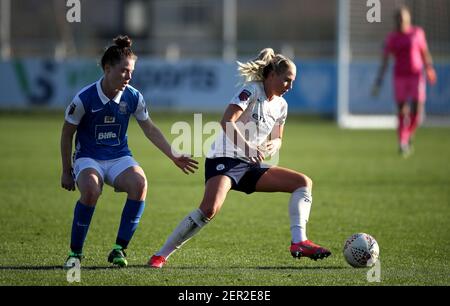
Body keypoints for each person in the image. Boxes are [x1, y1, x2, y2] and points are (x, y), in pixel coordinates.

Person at [148, 48, 331, 268]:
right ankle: (160, 255)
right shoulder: (251, 91)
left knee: (303, 182)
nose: (290, 87)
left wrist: (276, 143)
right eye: (287, 80)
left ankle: (299, 241)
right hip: (225, 159)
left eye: (292, 82)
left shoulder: (282, 105)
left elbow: (278, 136)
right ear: (272, 75)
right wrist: (249, 148)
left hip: (251, 164)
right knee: (208, 210)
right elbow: (226, 121)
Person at [61, 35, 198, 269]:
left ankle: (119, 249)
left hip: (118, 156)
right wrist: (66, 170)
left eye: (131, 71)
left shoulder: (133, 96)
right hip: (88, 157)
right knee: (92, 190)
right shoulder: (84, 98)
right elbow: (66, 134)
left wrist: (174, 155)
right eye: (124, 71)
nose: (129, 76)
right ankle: (75, 253)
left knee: (140, 184)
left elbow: (150, 129)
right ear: (107, 68)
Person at [372, 6, 437, 157]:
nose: (401, 21)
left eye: (404, 18)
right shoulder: (392, 38)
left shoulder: (417, 33)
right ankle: (402, 141)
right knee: (402, 110)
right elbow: (385, 60)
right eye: (399, 18)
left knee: (417, 111)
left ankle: (407, 135)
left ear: (408, 19)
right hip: (400, 76)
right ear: (396, 21)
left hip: (416, 76)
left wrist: (429, 69)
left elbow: (424, 53)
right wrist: (379, 81)